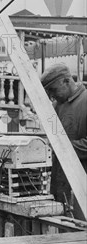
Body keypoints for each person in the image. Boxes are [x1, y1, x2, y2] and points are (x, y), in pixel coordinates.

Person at [41, 63, 87, 219]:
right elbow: (52, 139)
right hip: (60, 183)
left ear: (67, 81)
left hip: (82, 184)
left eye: (53, 90)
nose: (52, 96)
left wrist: (62, 149)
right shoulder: (56, 106)